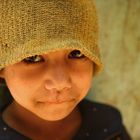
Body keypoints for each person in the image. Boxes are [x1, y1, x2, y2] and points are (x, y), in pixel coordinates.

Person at [0, 0, 131, 139]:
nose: (60, 82)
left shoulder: (108, 125)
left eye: (76, 53)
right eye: (33, 58)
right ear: (2, 67)